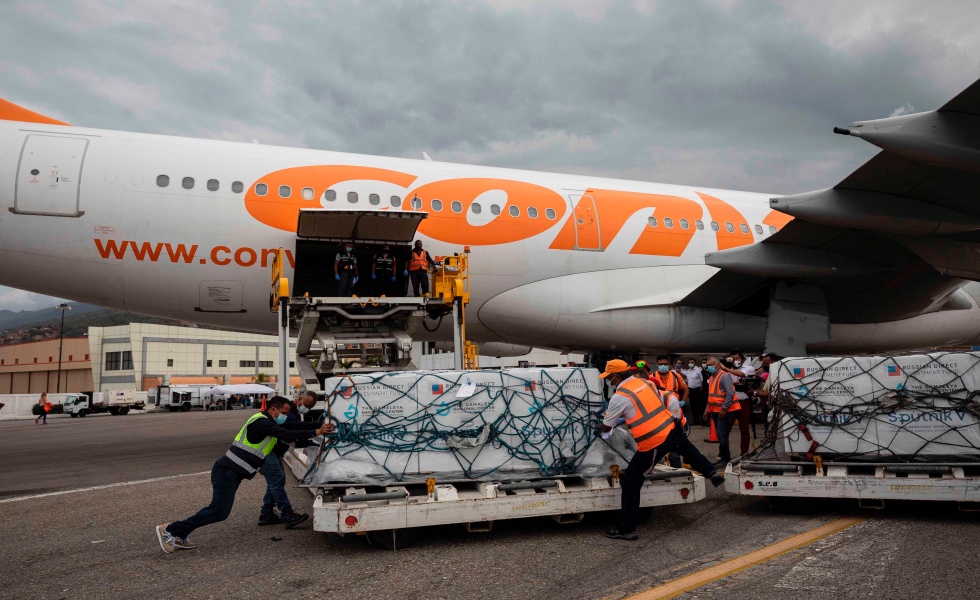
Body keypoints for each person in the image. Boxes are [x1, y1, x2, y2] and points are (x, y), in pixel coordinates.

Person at [155, 396, 334, 553]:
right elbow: (287, 432)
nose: (286, 417)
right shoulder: (261, 422)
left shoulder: (268, 421)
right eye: (284, 413)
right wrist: (317, 432)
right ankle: (170, 530)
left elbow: (294, 425)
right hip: (226, 471)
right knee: (218, 511)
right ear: (273, 410)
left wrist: (320, 424)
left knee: (217, 511)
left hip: (232, 472)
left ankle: (179, 532)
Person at [600, 359, 724, 541]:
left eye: (609, 377)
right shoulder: (647, 382)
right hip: (670, 428)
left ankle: (626, 528)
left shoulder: (620, 396)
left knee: (630, 482)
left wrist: (601, 425)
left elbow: (607, 426)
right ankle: (711, 472)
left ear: (616, 376)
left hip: (652, 441)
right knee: (689, 451)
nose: (609, 381)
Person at [258, 391, 321, 528]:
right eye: (306, 404)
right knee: (277, 481)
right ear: (299, 399)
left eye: (310, 407)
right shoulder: (288, 414)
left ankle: (266, 513)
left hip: (273, 451)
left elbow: (296, 427)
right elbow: (296, 428)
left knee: (276, 482)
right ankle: (287, 514)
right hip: (266, 452)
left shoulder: (290, 413)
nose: (307, 408)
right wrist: (318, 429)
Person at [703, 357, 739, 466]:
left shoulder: (724, 376)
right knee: (721, 434)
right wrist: (706, 411)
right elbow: (711, 396)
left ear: (718, 365)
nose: (708, 367)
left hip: (724, 411)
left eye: (711, 365)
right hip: (715, 410)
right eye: (707, 364)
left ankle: (725, 458)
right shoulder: (713, 376)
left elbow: (730, 393)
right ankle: (723, 455)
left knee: (721, 434)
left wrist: (724, 409)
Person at [720, 349, 756, 456]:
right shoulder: (726, 369)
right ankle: (723, 453)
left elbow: (741, 374)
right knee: (725, 430)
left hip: (743, 402)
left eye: (737, 358)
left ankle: (744, 452)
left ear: (742, 358)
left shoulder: (748, 368)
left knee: (744, 429)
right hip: (729, 403)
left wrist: (726, 369)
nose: (735, 361)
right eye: (732, 359)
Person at [650, 355, 690, 424]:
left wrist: (683, 401)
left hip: (675, 407)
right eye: (660, 364)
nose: (663, 366)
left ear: (668, 364)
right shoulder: (651, 377)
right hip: (659, 408)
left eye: (665, 364)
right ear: (657, 364)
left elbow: (685, 389)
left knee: (677, 426)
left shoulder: (676, 375)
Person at [680, 358, 706, 425]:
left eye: (692, 362)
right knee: (693, 405)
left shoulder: (698, 370)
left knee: (699, 406)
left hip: (697, 390)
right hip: (690, 389)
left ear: (695, 363)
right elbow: (686, 378)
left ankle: (703, 420)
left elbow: (702, 380)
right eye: (689, 362)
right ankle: (695, 420)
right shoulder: (689, 371)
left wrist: (701, 389)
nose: (690, 364)